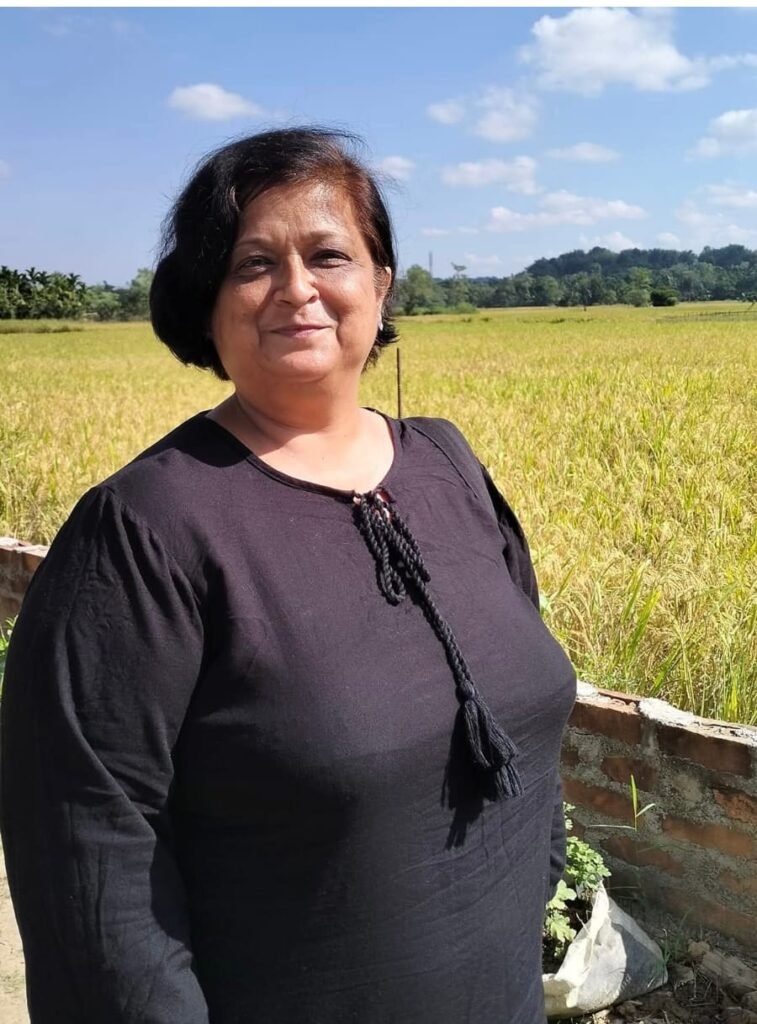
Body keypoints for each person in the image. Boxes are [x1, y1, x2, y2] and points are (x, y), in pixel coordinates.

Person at [0, 127, 577, 1024]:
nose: (297, 288)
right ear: (205, 302)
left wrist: (533, 876)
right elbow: (91, 865)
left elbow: (522, 699)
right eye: (253, 264)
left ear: (380, 283)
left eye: (328, 255)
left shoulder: (448, 465)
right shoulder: (144, 532)